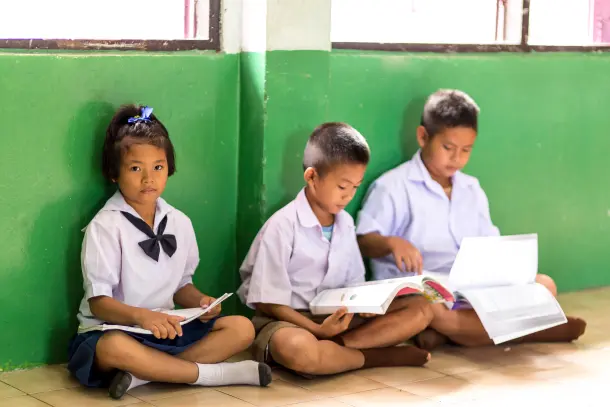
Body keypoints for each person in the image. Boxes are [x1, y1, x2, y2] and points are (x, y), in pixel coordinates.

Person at [67, 105, 272, 400]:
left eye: (158, 167)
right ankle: (214, 375)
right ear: (114, 173)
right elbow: (99, 303)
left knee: (241, 328)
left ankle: (141, 376)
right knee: (113, 348)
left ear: (169, 168)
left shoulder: (180, 222)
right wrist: (142, 317)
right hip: (116, 329)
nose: (148, 179)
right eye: (135, 168)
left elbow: (181, 286)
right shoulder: (105, 225)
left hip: (165, 328)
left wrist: (201, 302)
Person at [356, 90, 586, 349]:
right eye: (448, 148)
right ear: (423, 137)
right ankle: (521, 331)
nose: (457, 158)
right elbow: (364, 240)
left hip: (466, 287)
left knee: (544, 285)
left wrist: (507, 269)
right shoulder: (393, 186)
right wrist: (391, 243)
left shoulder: (471, 189)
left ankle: (449, 332)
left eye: (466, 150)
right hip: (423, 285)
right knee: (428, 306)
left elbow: (490, 244)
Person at [238, 122, 432, 377]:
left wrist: (365, 304)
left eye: (355, 187)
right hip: (289, 321)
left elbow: (354, 283)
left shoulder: (346, 224)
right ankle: (376, 356)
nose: (348, 196)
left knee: (421, 308)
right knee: (298, 349)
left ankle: (335, 351)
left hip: (338, 318)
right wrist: (316, 330)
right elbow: (269, 303)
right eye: (342, 187)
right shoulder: (282, 225)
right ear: (312, 177)